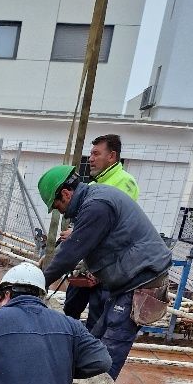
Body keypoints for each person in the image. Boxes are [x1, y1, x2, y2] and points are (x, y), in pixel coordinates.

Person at [38, 165, 172, 378]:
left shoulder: (97, 206)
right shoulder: (93, 201)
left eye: (57, 205)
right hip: (128, 281)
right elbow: (78, 245)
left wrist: (38, 281)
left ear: (65, 193)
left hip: (142, 281)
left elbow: (72, 250)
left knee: (109, 353)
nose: (59, 211)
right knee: (96, 342)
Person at [64, 134, 140, 322]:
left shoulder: (125, 182)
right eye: (91, 154)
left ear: (112, 156)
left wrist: (76, 233)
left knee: (98, 317)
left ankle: (91, 348)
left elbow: (113, 225)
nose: (91, 159)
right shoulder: (93, 185)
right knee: (70, 308)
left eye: (96, 154)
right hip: (87, 260)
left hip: (109, 263)